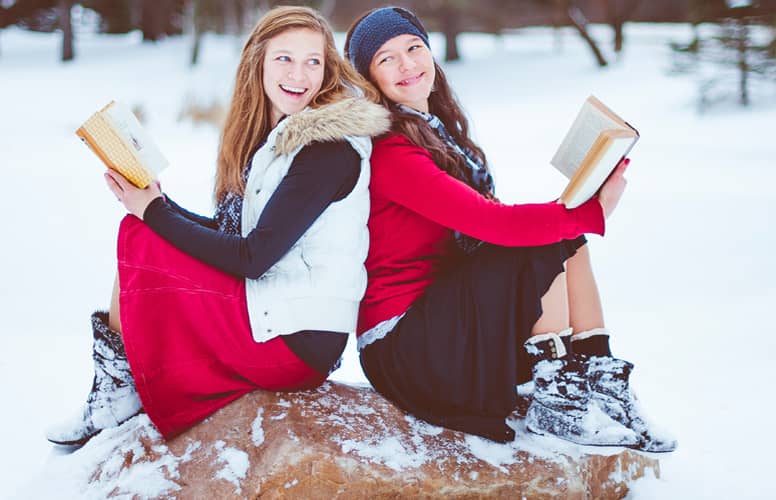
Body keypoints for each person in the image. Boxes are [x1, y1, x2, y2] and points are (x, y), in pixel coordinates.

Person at [46, 6, 390, 446]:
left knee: (142, 235)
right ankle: (121, 385)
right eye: (284, 58)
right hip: (281, 313)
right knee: (145, 231)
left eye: (312, 61)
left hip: (296, 339)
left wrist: (154, 212)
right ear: (258, 63)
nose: (299, 74)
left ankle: (118, 390)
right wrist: (158, 204)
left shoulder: (326, 148)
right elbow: (240, 240)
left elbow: (254, 257)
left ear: (326, 71)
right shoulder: (283, 139)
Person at [344, 6, 675, 452]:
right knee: (539, 239)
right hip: (405, 345)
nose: (407, 65)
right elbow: (490, 223)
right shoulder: (390, 149)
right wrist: (589, 212)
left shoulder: (438, 133)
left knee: (560, 237)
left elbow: (490, 222)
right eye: (386, 59)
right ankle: (556, 396)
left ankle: (601, 380)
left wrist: (577, 207)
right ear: (370, 78)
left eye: (413, 48)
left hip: (445, 320)